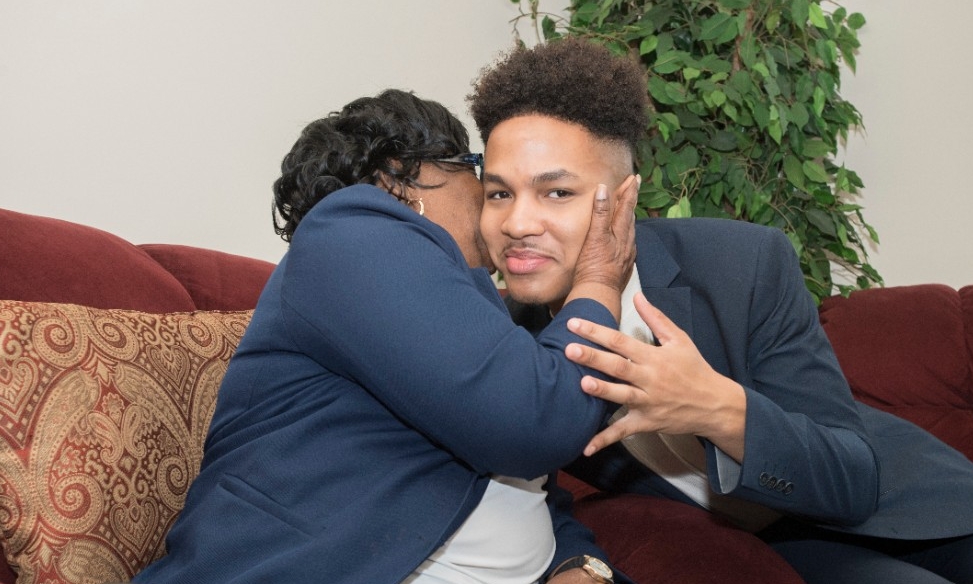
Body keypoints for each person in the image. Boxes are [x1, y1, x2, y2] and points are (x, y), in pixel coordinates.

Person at [468, 37, 973, 583]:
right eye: (498, 194)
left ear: (627, 198)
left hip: (909, 506)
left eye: (557, 193)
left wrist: (714, 408)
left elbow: (849, 477)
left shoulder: (743, 263)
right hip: (781, 543)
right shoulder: (500, 342)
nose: (517, 223)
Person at [132, 89, 640, 583]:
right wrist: (599, 280)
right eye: (483, 176)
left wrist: (580, 567)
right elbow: (535, 423)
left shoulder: (460, 309)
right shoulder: (352, 231)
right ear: (407, 178)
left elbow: (527, 492)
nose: (502, 209)